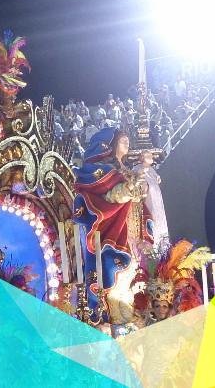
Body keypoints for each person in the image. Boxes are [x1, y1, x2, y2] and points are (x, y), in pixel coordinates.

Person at [73, 128, 149, 335]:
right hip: (113, 231)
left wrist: (142, 188)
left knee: (132, 275)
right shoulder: (105, 172)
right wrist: (129, 189)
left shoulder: (126, 170)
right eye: (122, 140)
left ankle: (126, 319)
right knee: (116, 277)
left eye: (127, 141)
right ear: (110, 145)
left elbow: (138, 197)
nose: (127, 143)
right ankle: (113, 320)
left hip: (130, 230)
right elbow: (109, 198)